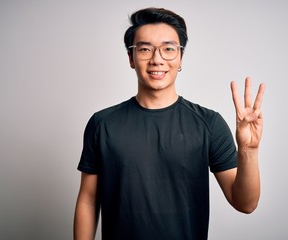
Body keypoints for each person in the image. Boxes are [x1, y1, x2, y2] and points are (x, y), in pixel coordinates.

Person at [74, 7, 265, 240]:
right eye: (144, 49)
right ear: (131, 58)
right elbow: (88, 199)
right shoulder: (102, 124)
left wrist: (249, 150)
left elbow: (245, 203)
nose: (157, 59)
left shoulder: (209, 123)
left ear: (181, 58)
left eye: (168, 49)